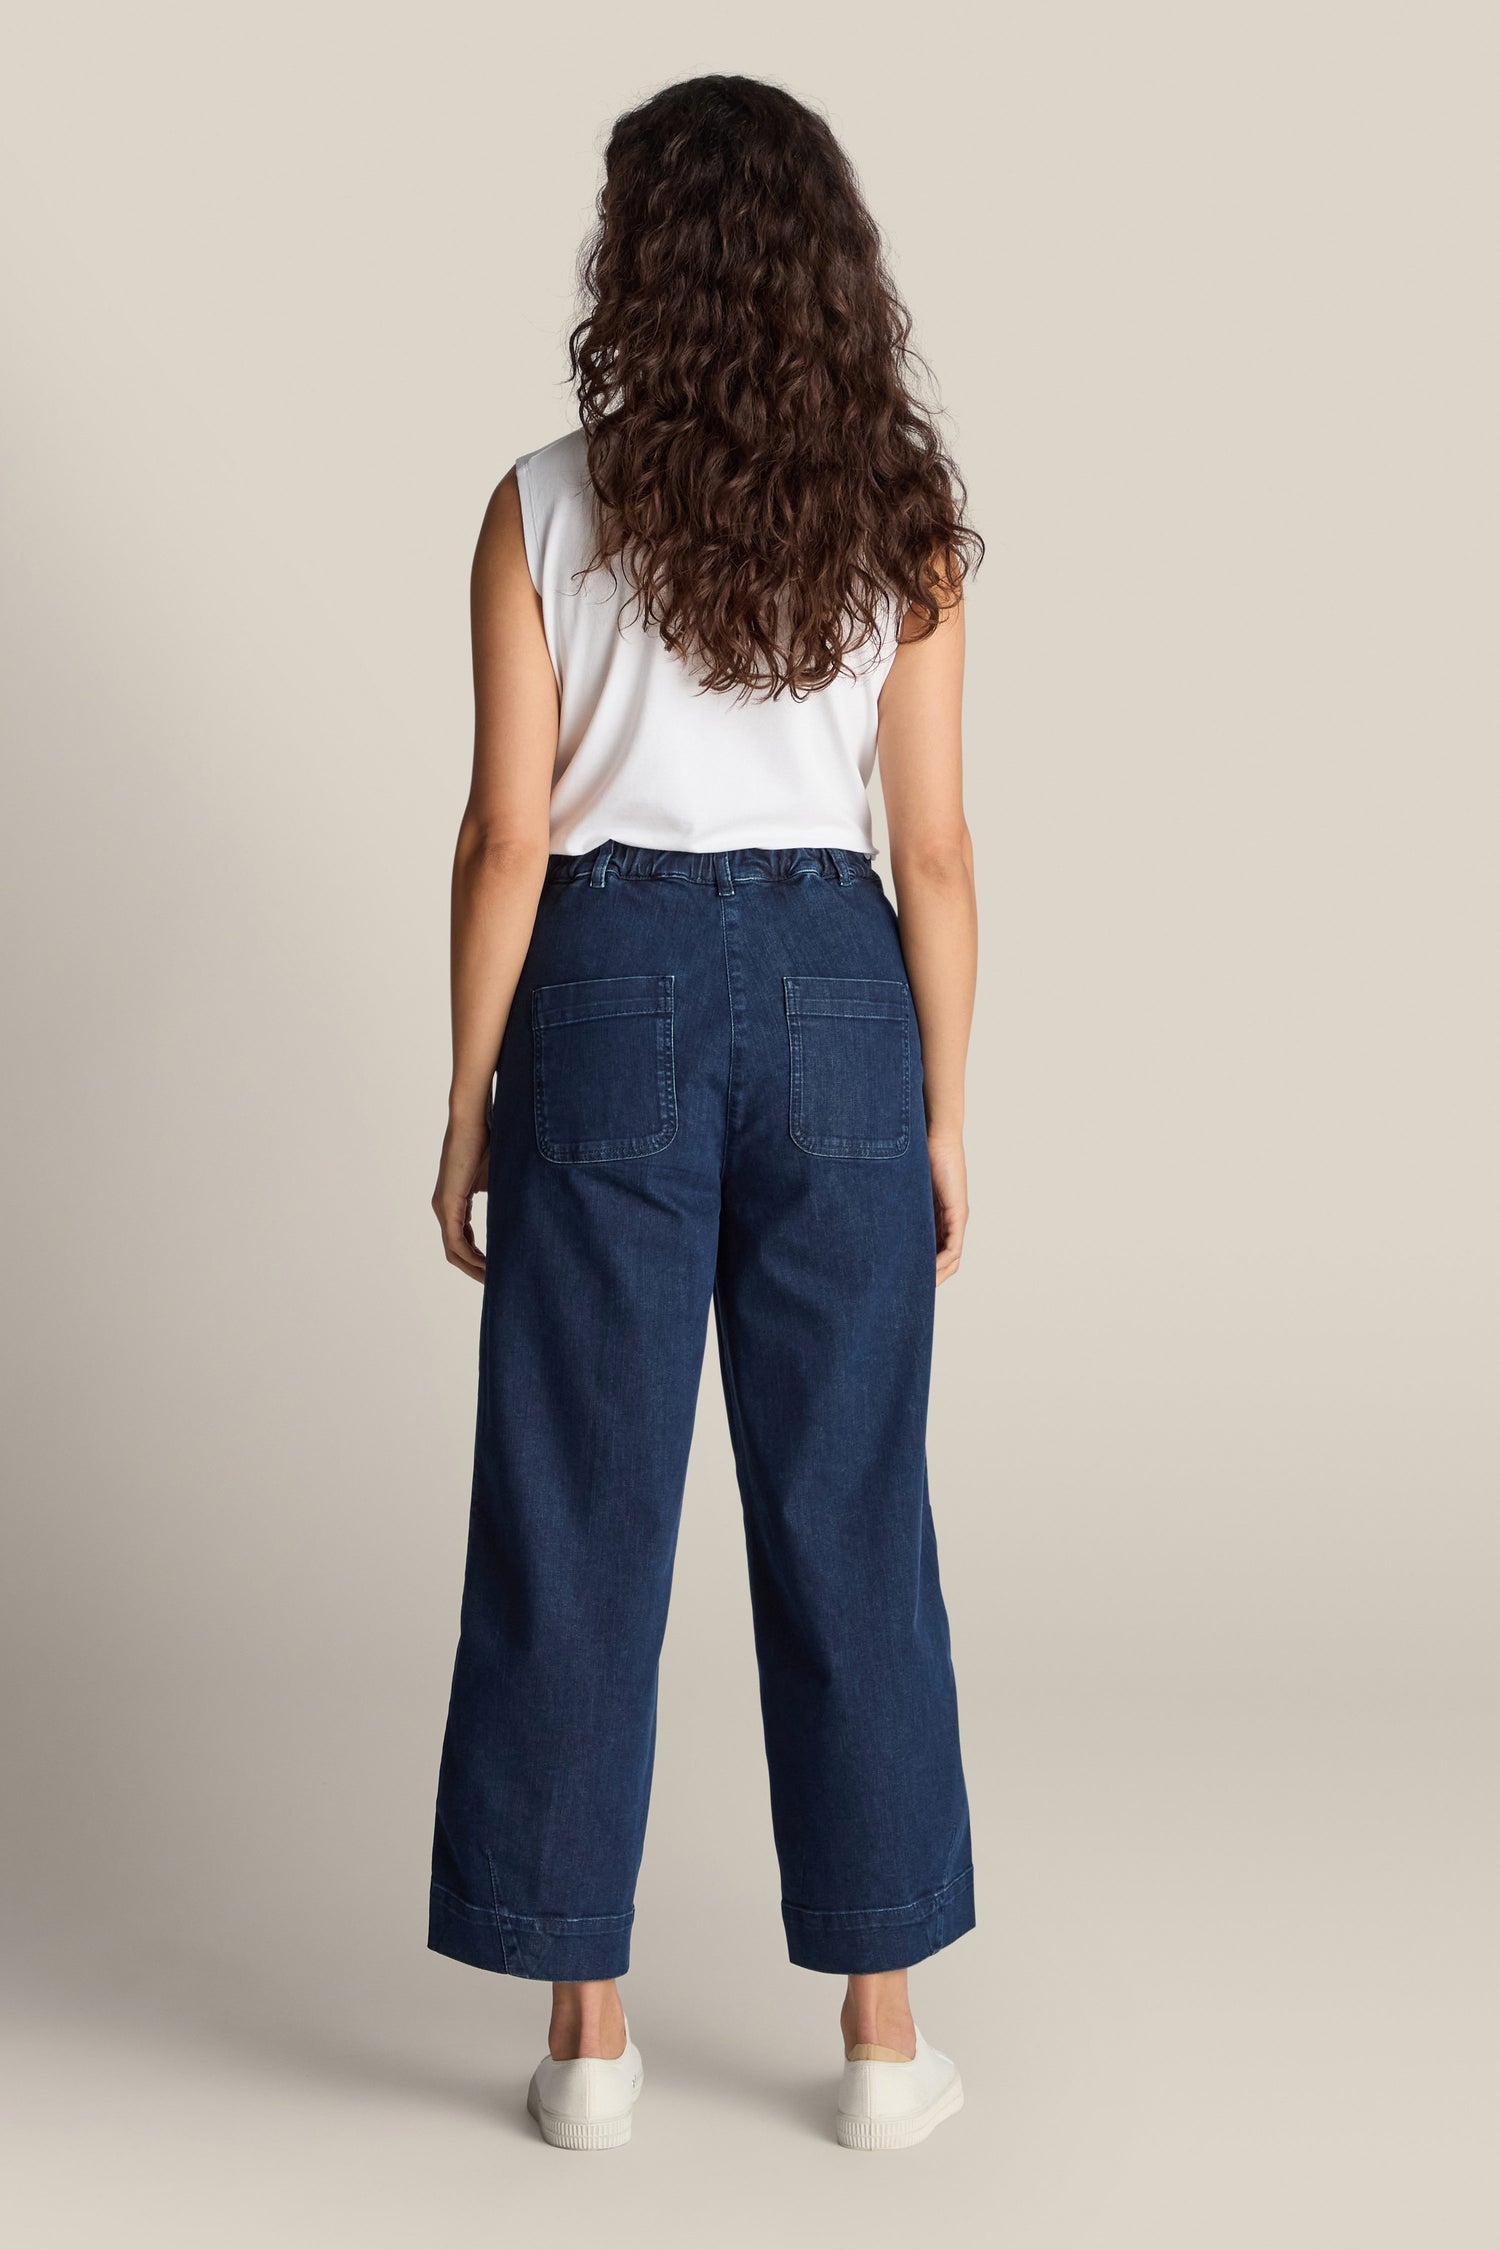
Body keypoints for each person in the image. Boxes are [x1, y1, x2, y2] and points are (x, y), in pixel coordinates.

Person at [428, 73, 982, 2152]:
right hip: (843, 1001)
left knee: (581, 1513)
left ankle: (588, 2045)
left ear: (633, 262)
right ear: (832, 275)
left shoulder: (542, 502)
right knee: (852, 1512)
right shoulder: (900, 519)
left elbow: (504, 830)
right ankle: (883, 2043)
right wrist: (938, 1108)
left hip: (603, 988)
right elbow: (934, 854)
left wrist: (468, 1098)